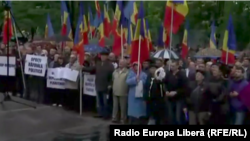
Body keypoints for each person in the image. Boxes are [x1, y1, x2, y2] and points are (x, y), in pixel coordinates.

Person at [82, 51, 114, 119]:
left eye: (104, 56)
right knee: (99, 101)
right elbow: (91, 69)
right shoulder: (98, 64)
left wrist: (110, 84)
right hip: (98, 84)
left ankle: (106, 115)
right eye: (102, 56)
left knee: (105, 101)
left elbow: (112, 76)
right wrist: (83, 68)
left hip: (106, 85)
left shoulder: (110, 65)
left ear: (107, 57)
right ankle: (100, 113)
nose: (102, 57)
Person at [164, 60, 187, 124]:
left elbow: (185, 87)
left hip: (179, 98)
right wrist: (166, 91)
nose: (172, 67)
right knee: (170, 116)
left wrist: (176, 92)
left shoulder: (181, 74)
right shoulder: (168, 74)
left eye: (173, 66)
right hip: (170, 98)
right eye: (171, 66)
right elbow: (165, 84)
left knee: (178, 116)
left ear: (177, 66)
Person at [112, 59, 129, 124]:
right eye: (119, 62)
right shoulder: (115, 71)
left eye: (122, 63)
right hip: (115, 91)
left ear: (125, 64)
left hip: (123, 91)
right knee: (115, 106)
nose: (120, 64)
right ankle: (114, 118)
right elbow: (113, 79)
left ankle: (123, 119)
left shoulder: (127, 72)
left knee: (123, 107)